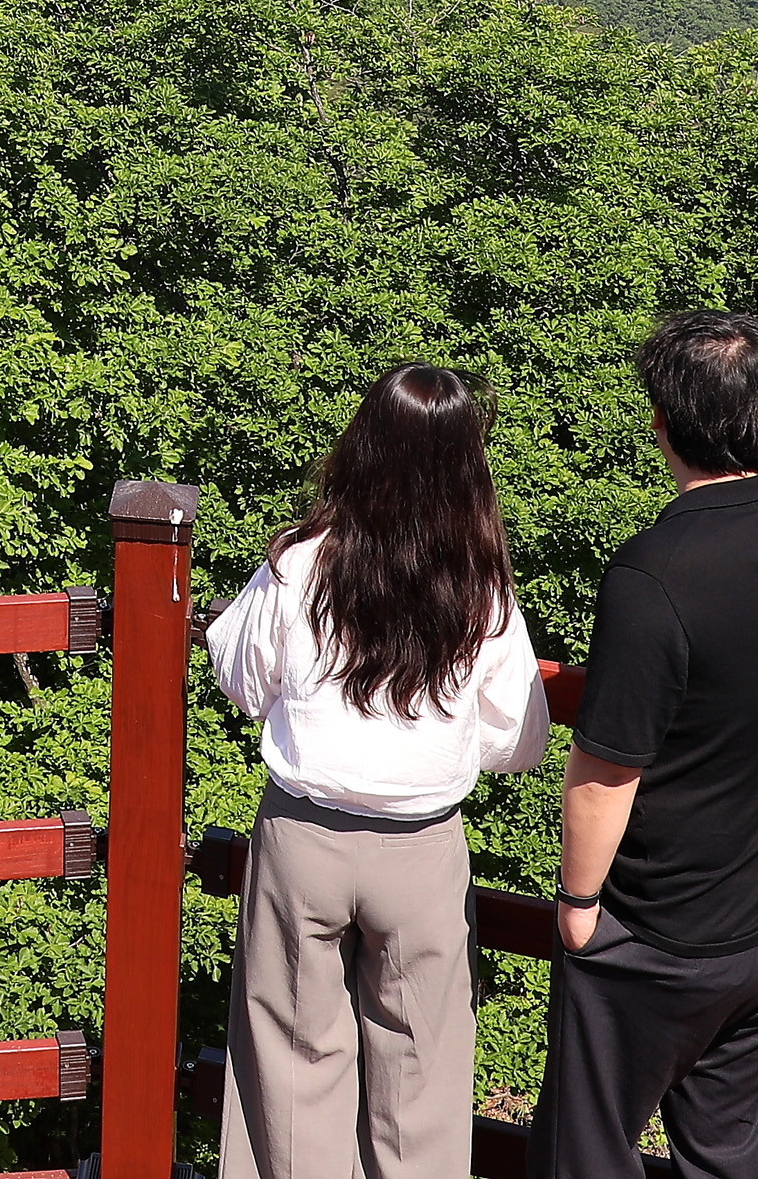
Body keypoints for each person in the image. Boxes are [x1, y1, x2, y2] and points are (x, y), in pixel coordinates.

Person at [206, 364, 550, 1179]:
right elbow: (520, 738)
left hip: (303, 838)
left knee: (291, 1072)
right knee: (421, 1080)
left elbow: (242, 677)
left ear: (362, 446)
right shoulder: (481, 587)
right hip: (422, 850)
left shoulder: (300, 563)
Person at [541, 311, 758, 1179]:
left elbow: (607, 769)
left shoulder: (653, 573)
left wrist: (578, 904)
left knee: (585, 1150)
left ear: (662, 426)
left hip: (669, 932)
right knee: (725, 1150)